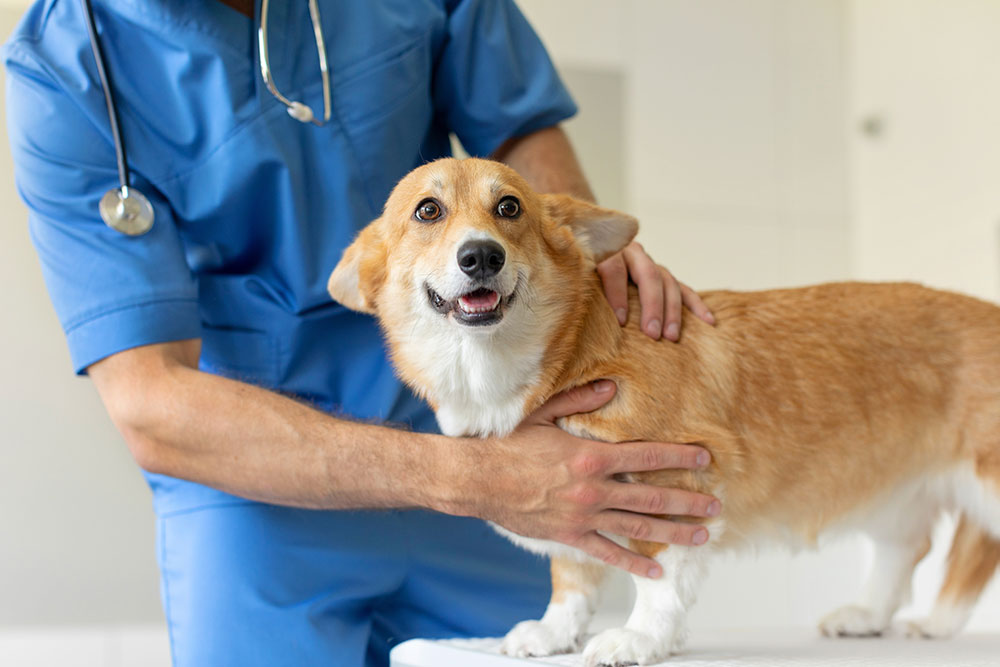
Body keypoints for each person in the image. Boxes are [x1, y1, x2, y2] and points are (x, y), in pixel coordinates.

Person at [4, 1, 720, 665]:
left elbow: (515, 119)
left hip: (497, 428)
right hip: (260, 486)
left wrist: (574, 243)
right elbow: (148, 401)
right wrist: (472, 478)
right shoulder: (63, 68)